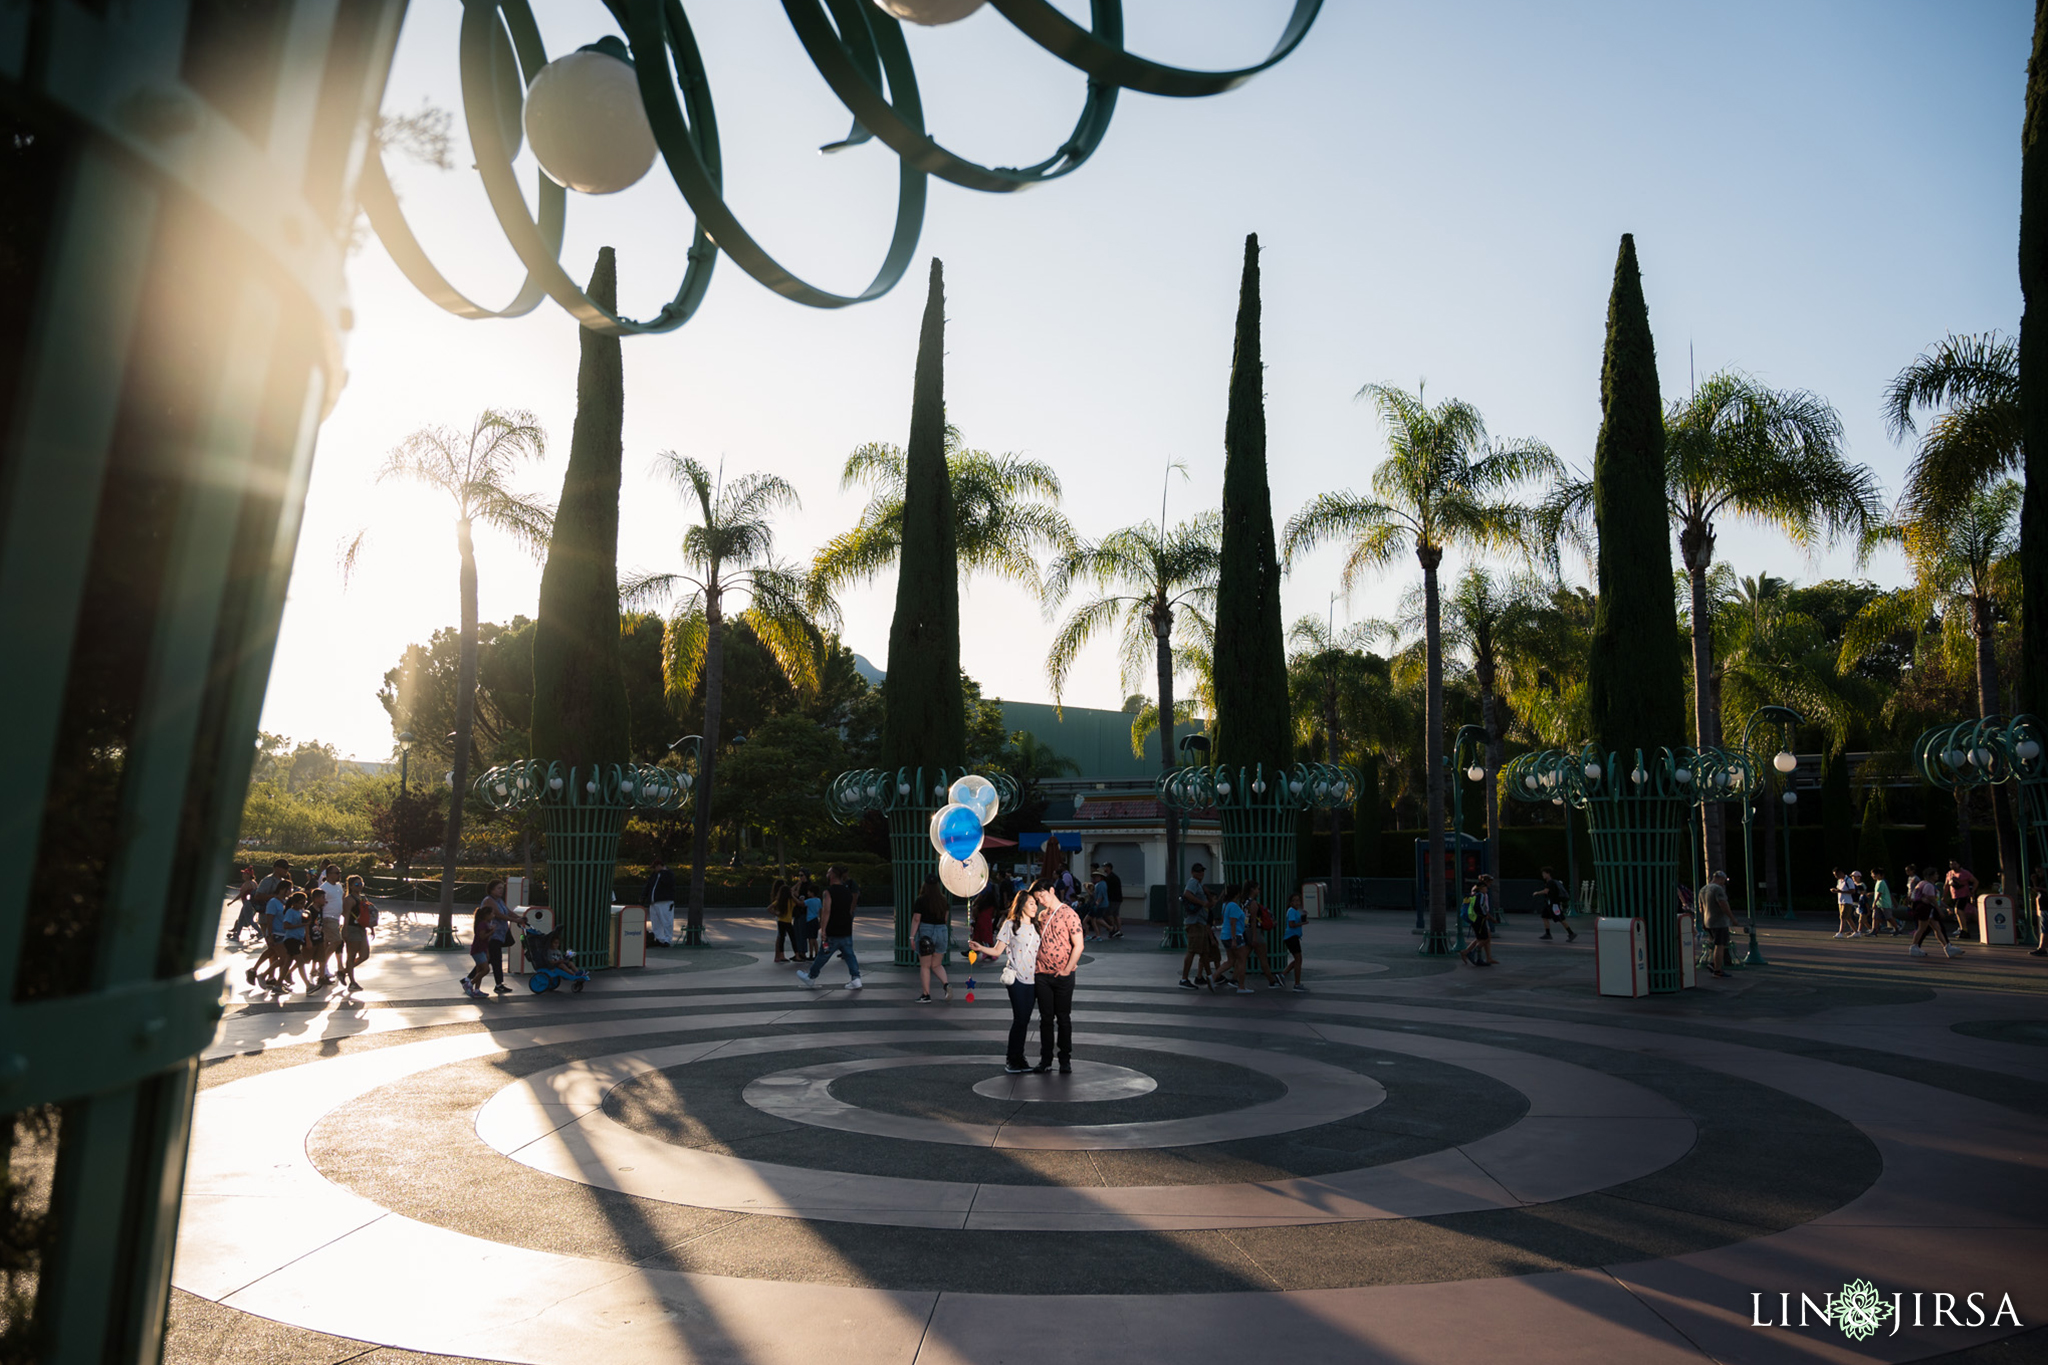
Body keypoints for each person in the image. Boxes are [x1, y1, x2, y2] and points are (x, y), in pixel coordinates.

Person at [969, 887, 1042, 1074]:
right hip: (1016, 978)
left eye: (1036, 903)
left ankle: (1020, 1058)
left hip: (1034, 979)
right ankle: (1012, 1059)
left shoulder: (1037, 925)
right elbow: (997, 951)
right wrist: (980, 948)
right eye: (1031, 903)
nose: (1035, 906)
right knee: (1020, 1019)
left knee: (1025, 1020)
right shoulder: (1010, 925)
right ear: (1022, 905)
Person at [1032, 880, 1084, 1071]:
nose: (1041, 900)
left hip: (1063, 974)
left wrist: (1067, 970)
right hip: (1042, 973)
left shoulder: (1069, 913)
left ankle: (1064, 1059)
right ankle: (1046, 1059)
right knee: (1045, 1018)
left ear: (1052, 890)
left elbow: (1079, 945)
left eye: (1043, 895)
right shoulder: (1042, 916)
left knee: (1063, 1017)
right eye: (1038, 898)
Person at [797, 866, 862, 990]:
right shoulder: (847, 891)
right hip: (846, 928)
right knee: (849, 954)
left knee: (823, 954)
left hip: (833, 928)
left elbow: (826, 911)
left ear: (832, 875)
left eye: (828, 872)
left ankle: (811, 977)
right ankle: (856, 978)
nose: (826, 874)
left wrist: (823, 928)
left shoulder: (828, 892)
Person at [462, 880, 516, 998]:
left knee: (486, 962)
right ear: (491, 889)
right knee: (493, 961)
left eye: (502, 888)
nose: (501, 890)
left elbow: (507, 912)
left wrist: (519, 918)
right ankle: (491, 984)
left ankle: (469, 981)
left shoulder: (499, 901)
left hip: (498, 935)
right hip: (493, 937)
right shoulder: (488, 901)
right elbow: (499, 915)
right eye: (498, 888)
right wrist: (515, 921)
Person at [1907, 864, 1963, 959]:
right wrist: (1940, 911)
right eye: (1936, 874)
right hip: (1925, 909)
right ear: (1931, 876)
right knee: (1922, 928)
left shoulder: (1923, 884)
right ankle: (1914, 947)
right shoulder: (1928, 886)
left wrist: (1946, 907)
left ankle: (1947, 947)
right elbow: (1933, 900)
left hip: (1926, 909)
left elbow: (1935, 900)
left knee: (1937, 928)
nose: (1937, 876)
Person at [911, 874, 951, 1002]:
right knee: (937, 964)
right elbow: (945, 919)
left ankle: (926, 994)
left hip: (926, 932)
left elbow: (917, 919)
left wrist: (912, 936)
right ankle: (946, 984)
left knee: (925, 966)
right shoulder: (943, 900)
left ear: (925, 885)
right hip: (942, 932)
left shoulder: (921, 900)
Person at [1178, 863, 1213, 989]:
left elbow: (1210, 904)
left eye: (1202, 872)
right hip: (1195, 922)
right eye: (1198, 872)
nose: (1201, 874)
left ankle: (1209, 978)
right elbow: (1187, 894)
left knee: (1204, 952)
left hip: (1200, 922)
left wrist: (1207, 895)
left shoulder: (1199, 885)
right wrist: (1202, 902)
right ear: (1192, 872)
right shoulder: (1193, 882)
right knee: (1192, 951)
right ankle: (1184, 979)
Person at [271, 891, 312, 994]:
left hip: (297, 939)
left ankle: (278, 985)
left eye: (304, 902)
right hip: (291, 939)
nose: (303, 905)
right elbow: (286, 926)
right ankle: (308, 984)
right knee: (300, 962)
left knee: (287, 964)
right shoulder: (290, 911)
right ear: (295, 903)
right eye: (301, 903)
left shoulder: (302, 911)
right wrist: (300, 925)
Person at [340, 875, 374, 992]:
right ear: (350, 885)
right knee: (352, 955)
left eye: (361, 884)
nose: (359, 886)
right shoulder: (349, 899)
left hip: (361, 929)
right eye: (356, 884)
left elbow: (366, 914)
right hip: (351, 928)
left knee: (365, 955)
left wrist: (371, 927)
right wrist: (344, 931)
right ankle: (352, 981)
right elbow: (346, 915)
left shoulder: (362, 898)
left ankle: (343, 972)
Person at [1218, 883, 1253, 993]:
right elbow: (1233, 923)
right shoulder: (1233, 906)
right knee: (1242, 960)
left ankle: (1213, 977)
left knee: (1231, 961)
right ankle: (1241, 986)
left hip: (1225, 935)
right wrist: (1234, 939)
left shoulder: (1226, 904)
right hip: (1235, 936)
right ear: (1238, 893)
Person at [1699, 869, 1734, 978]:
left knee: (1715, 944)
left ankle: (1713, 964)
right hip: (1719, 922)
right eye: (1723, 880)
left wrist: (1703, 921)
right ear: (1721, 879)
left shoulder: (1703, 889)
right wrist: (1732, 918)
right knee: (1720, 945)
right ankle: (1717, 969)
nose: (1724, 883)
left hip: (1708, 921)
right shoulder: (1717, 889)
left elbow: (1701, 908)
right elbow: (1722, 904)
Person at [1460, 875, 1497, 966]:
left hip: (1477, 918)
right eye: (1489, 883)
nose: (1489, 886)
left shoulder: (1477, 891)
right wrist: (1488, 916)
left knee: (1481, 938)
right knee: (1485, 938)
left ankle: (1477, 957)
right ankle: (1470, 953)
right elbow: (1480, 906)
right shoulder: (1480, 894)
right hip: (1480, 919)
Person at [1536, 865, 1577, 942]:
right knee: (1544, 916)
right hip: (1550, 904)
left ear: (1548, 874)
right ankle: (1547, 934)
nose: (1543, 875)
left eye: (1544, 873)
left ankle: (1571, 933)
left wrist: (1537, 893)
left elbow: (1546, 891)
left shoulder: (1550, 882)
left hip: (1553, 904)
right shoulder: (1552, 882)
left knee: (1560, 918)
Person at [644, 859, 676, 948]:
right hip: (654, 902)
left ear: (659, 866)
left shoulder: (668, 874)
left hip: (665, 901)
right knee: (656, 922)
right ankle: (659, 938)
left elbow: (668, 883)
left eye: (655, 867)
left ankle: (667, 939)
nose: (654, 869)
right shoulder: (654, 875)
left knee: (666, 921)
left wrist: (664, 872)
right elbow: (648, 886)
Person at [1280, 888, 1307, 991]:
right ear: (1291, 902)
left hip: (1293, 937)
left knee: (1297, 959)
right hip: (1291, 937)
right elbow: (1291, 924)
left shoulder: (1294, 911)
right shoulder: (1291, 911)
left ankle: (1282, 974)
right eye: (1295, 900)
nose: (1297, 902)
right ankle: (1297, 984)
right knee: (1299, 959)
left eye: (1298, 900)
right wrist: (1302, 923)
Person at [226, 865, 259, 946]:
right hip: (250, 903)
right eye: (243, 874)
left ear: (249, 875)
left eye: (245, 874)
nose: (243, 875)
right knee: (241, 919)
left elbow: (241, 894)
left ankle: (261, 933)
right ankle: (237, 935)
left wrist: (232, 902)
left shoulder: (247, 884)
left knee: (249, 920)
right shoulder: (254, 883)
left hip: (247, 903)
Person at [1945, 860, 1978, 940]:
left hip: (1964, 895)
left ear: (1959, 864)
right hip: (1954, 896)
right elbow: (1946, 885)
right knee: (1969, 913)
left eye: (1955, 864)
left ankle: (1964, 930)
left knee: (1958, 910)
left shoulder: (1965, 873)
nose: (1953, 866)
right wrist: (1944, 896)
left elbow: (1975, 881)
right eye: (1951, 864)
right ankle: (1964, 928)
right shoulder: (1949, 873)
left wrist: (1972, 891)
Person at [769, 880, 801, 963]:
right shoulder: (791, 901)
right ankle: (797, 955)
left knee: (781, 938)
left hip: (781, 921)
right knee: (792, 938)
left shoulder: (779, 900)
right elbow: (798, 902)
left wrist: (776, 913)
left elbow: (769, 908)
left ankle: (780, 955)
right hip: (788, 922)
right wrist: (793, 895)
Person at [1867, 868, 1899, 936]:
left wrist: (1874, 902)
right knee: (1875, 917)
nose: (1872, 875)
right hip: (1879, 903)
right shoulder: (1878, 882)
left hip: (1884, 903)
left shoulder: (1881, 882)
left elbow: (1879, 893)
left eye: (1873, 874)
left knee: (1889, 917)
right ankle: (1874, 930)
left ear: (1878, 875)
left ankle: (1897, 928)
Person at [1831, 868, 1858, 938]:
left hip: (1847, 901)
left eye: (1836, 874)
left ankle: (1840, 932)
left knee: (1843, 917)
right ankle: (1856, 932)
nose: (1836, 876)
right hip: (1840, 901)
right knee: (1848, 917)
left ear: (1841, 873)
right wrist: (1836, 890)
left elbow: (1853, 891)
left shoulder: (1848, 880)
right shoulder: (1839, 881)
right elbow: (1839, 889)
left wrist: (1840, 892)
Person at [1101, 861, 1124, 939]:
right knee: (1115, 914)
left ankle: (1113, 928)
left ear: (1108, 868)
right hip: (1117, 898)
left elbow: (1108, 889)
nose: (1104, 868)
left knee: (1108, 914)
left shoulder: (1110, 877)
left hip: (1113, 899)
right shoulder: (1112, 876)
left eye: (1105, 867)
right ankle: (1118, 930)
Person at [800, 880, 823, 960]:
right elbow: (821, 911)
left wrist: (801, 899)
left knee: (810, 939)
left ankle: (811, 954)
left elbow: (802, 904)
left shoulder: (809, 901)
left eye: (809, 892)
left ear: (812, 893)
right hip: (815, 920)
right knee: (814, 938)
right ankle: (817, 953)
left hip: (809, 920)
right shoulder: (818, 900)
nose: (808, 893)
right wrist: (820, 921)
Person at [2028, 867, 2046, 958]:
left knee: (2045, 928)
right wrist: (2034, 882)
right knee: (2044, 929)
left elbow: (2040, 890)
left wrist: (2040, 889)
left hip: (2046, 907)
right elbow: (2037, 889)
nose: (2039, 874)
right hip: (2044, 907)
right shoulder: (2043, 881)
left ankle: (2042, 948)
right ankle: (2041, 948)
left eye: (2040, 871)